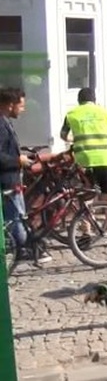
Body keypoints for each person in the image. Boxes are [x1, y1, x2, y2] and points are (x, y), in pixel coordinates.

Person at [61, 88, 107, 230]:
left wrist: (74, 140)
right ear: (94, 100)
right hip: (104, 158)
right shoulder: (105, 112)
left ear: (79, 100)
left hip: (83, 161)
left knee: (85, 196)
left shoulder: (71, 114)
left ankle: (86, 230)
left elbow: (63, 135)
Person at [0, 87, 39, 262]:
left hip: (13, 179)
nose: (22, 110)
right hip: (7, 181)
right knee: (15, 221)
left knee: (17, 218)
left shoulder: (5, 121)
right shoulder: (0, 124)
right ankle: (18, 253)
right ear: (9, 105)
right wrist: (18, 160)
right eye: (20, 106)